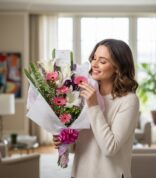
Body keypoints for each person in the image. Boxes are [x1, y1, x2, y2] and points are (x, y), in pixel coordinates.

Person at [53, 39, 139, 178]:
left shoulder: (129, 100)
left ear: (118, 67)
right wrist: (65, 141)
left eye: (102, 61)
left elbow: (110, 148)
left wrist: (93, 105)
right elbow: (81, 146)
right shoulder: (83, 93)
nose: (94, 64)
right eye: (94, 58)